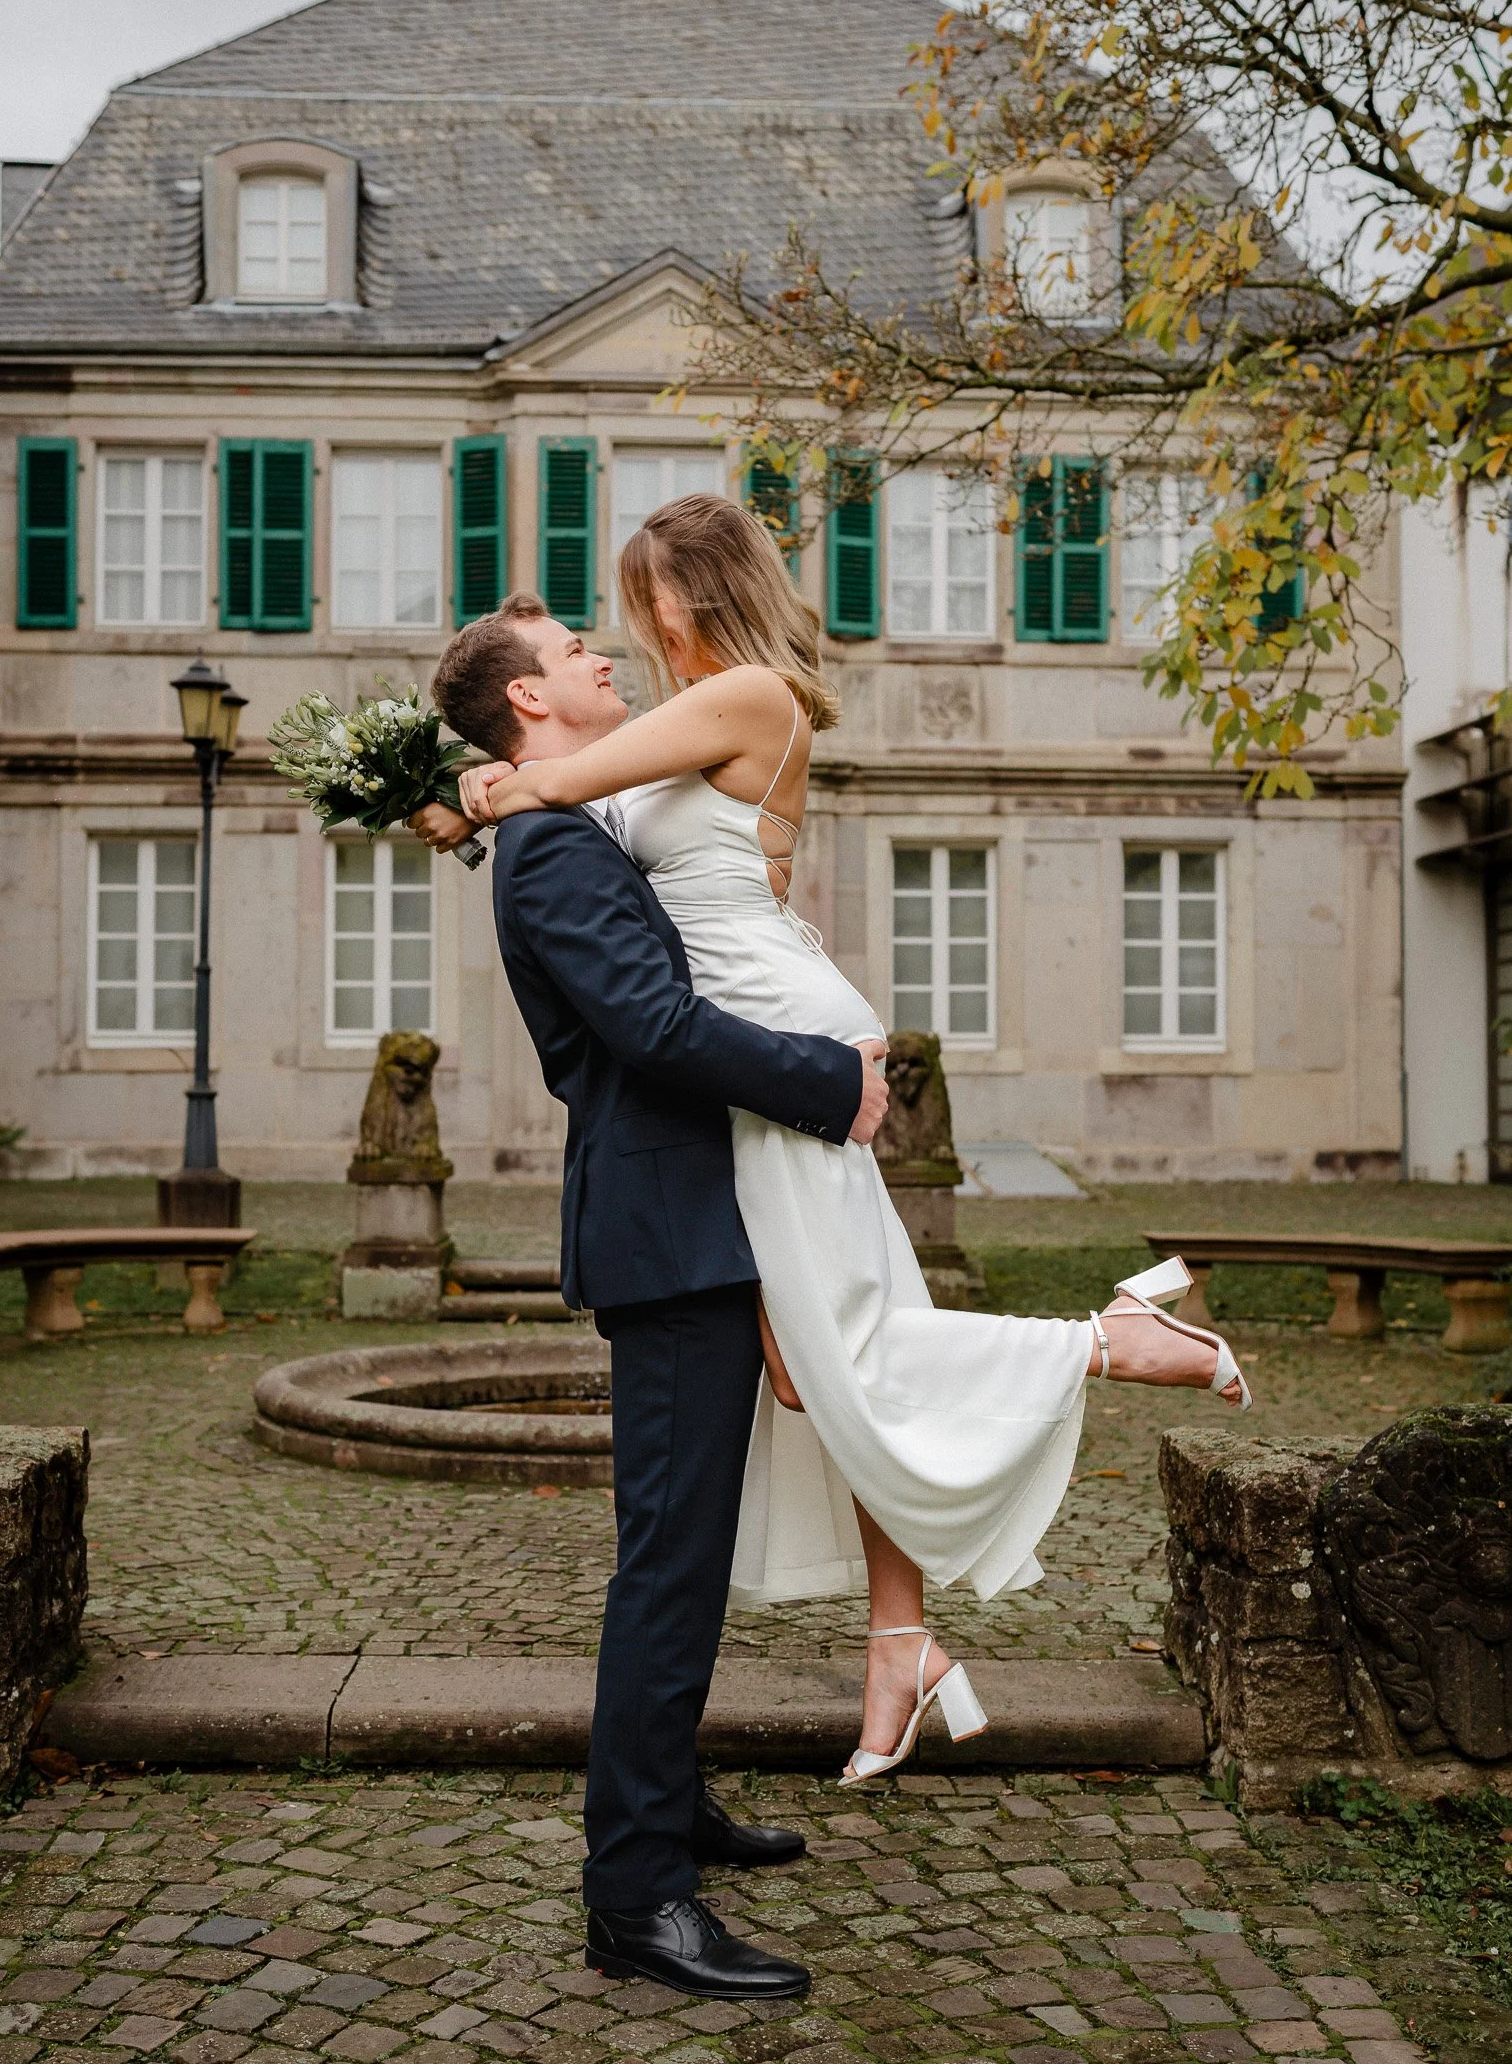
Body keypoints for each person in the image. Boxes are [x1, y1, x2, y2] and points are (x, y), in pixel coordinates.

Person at [420, 498, 1253, 1794]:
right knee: (817, 1370)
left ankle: (1114, 1340)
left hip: (771, 1064)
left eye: (632, 604)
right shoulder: (679, 730)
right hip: (752, 1052)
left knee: (844, 1345)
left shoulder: (745, 694)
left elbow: (558, 784)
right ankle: (899, 1645)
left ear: (678, 601)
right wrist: (495, 783)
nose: (618, 634)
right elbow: (585, 809)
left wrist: (487, 788)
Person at [425, 594, 889, 2003]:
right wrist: (832, 1086)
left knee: (678, 1546)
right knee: (667, 1568)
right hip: (667, 1225)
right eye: (574, 651)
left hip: (692, 1216)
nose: (600, 657)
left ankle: (670, 1806)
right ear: (526, 702)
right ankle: (635, 1895)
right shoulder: (554, 849)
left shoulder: (574, 818)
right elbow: (654, 1026)